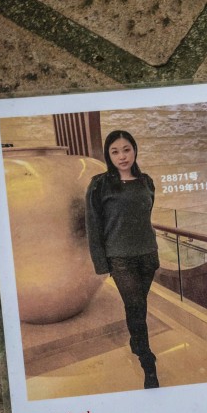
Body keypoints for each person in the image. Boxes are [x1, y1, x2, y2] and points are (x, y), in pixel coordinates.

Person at [86, 130, 161, 388]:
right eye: (115, 151)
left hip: (147, 256)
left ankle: (135, 341)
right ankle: (147, 362)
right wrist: (101, 264)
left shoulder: (146, 182)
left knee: (139, 304)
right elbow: (93, 226)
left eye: (126, 149)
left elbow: (146, 216)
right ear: (108, 155)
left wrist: (153, 249)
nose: (122, 156)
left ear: (135, 150)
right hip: (120, 259)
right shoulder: (100, 184)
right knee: (135, 307)